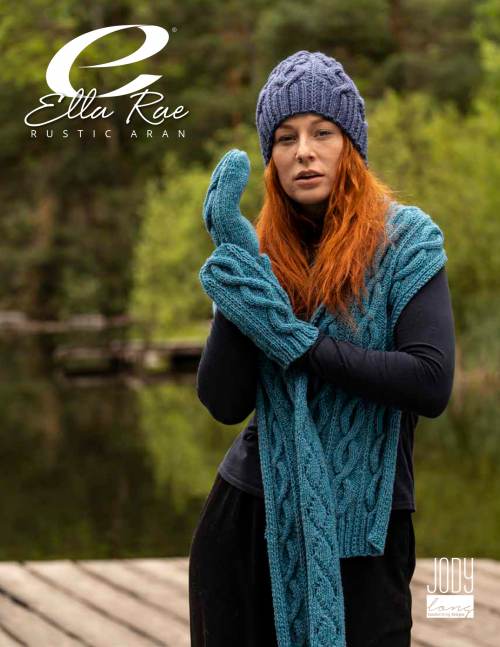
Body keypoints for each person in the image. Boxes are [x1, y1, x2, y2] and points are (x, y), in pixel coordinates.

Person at [189, 50, 455, 647]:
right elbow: (224, 402)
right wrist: (241, 270)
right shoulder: (259, 251)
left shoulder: (405, 241)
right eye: (285, 138)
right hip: (250, 522)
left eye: (321, 132)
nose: (303, 151)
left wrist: (297, 344)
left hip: (367, 527)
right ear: (271, 159)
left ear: (350, 145)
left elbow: (429, 382)